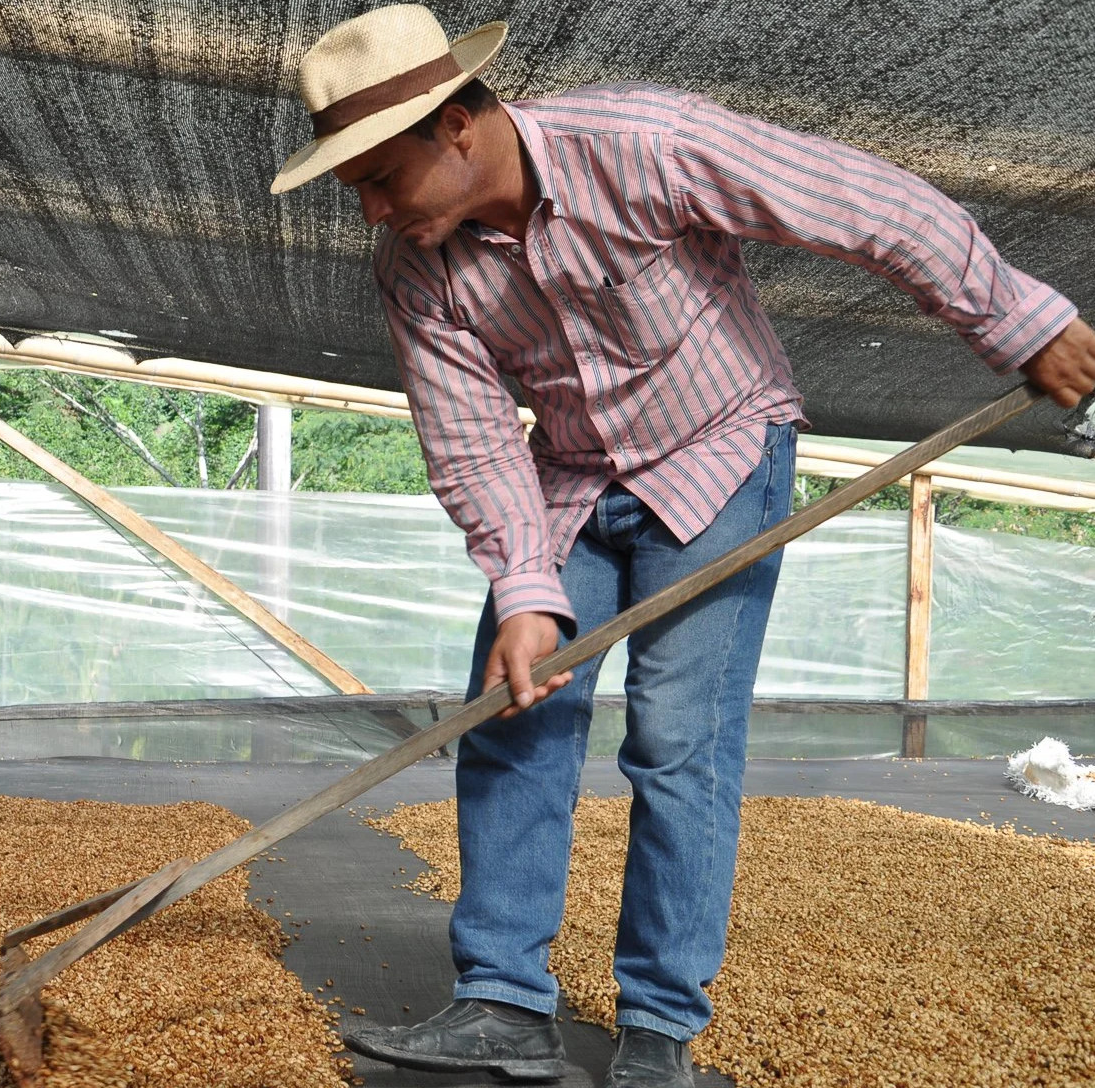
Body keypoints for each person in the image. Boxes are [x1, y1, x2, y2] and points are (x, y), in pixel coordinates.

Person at [270, 6, 1095, 1087]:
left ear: (458, 125)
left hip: (719, 454)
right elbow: (469, 439)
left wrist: (1014, 320)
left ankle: (658, 1028)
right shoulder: (415, 269)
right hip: (569, 478)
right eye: (358, 189)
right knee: (517, 713)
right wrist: (525, 592)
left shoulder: (642, 145)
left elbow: (867, 205)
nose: (375, 208)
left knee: (677, 739)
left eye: (382, 177)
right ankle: (503, 1002)